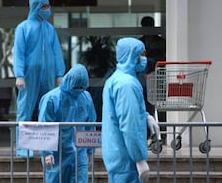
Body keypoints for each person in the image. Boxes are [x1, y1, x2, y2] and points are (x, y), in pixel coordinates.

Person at [13, 0, 66, 158]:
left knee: (48, 108)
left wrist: (59, 74)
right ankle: (23, 148)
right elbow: (19, 53)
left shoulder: (50, 29)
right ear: (35, 7)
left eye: (48, 6)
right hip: (29, 75)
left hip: (48, 74)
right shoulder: (23, 28)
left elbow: (57, 52)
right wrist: (19, 75)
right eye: (44, 6)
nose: (47, 10)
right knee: (25, 110)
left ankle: (47, 147)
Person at [101, 37, 160, 182]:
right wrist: (139, 158)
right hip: (127, 158)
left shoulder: (116, 79)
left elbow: (123, 113)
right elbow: (129, 124)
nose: (144, 58)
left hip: (118, 155)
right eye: (141, 54)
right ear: (131, 55)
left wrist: (145, 116)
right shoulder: (127, 84)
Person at [38, 64, 96, 183]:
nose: (78, 90)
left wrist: (90, 150)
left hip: (80, 153)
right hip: (57, 153)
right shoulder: (51, 98)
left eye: (82, 87)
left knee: (80, 179)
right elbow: (44, 126)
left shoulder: (86, 97)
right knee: (56, 179)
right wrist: (46, 152)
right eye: (76, 87)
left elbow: (90, 124)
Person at [139, 16, 167, 144]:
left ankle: (162, 132)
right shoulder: (140, 43)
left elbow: (165, 58)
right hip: (144, 79)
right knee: (147, 105)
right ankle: (150, 133)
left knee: (160, 105)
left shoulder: (161, 42)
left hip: (159, 77)